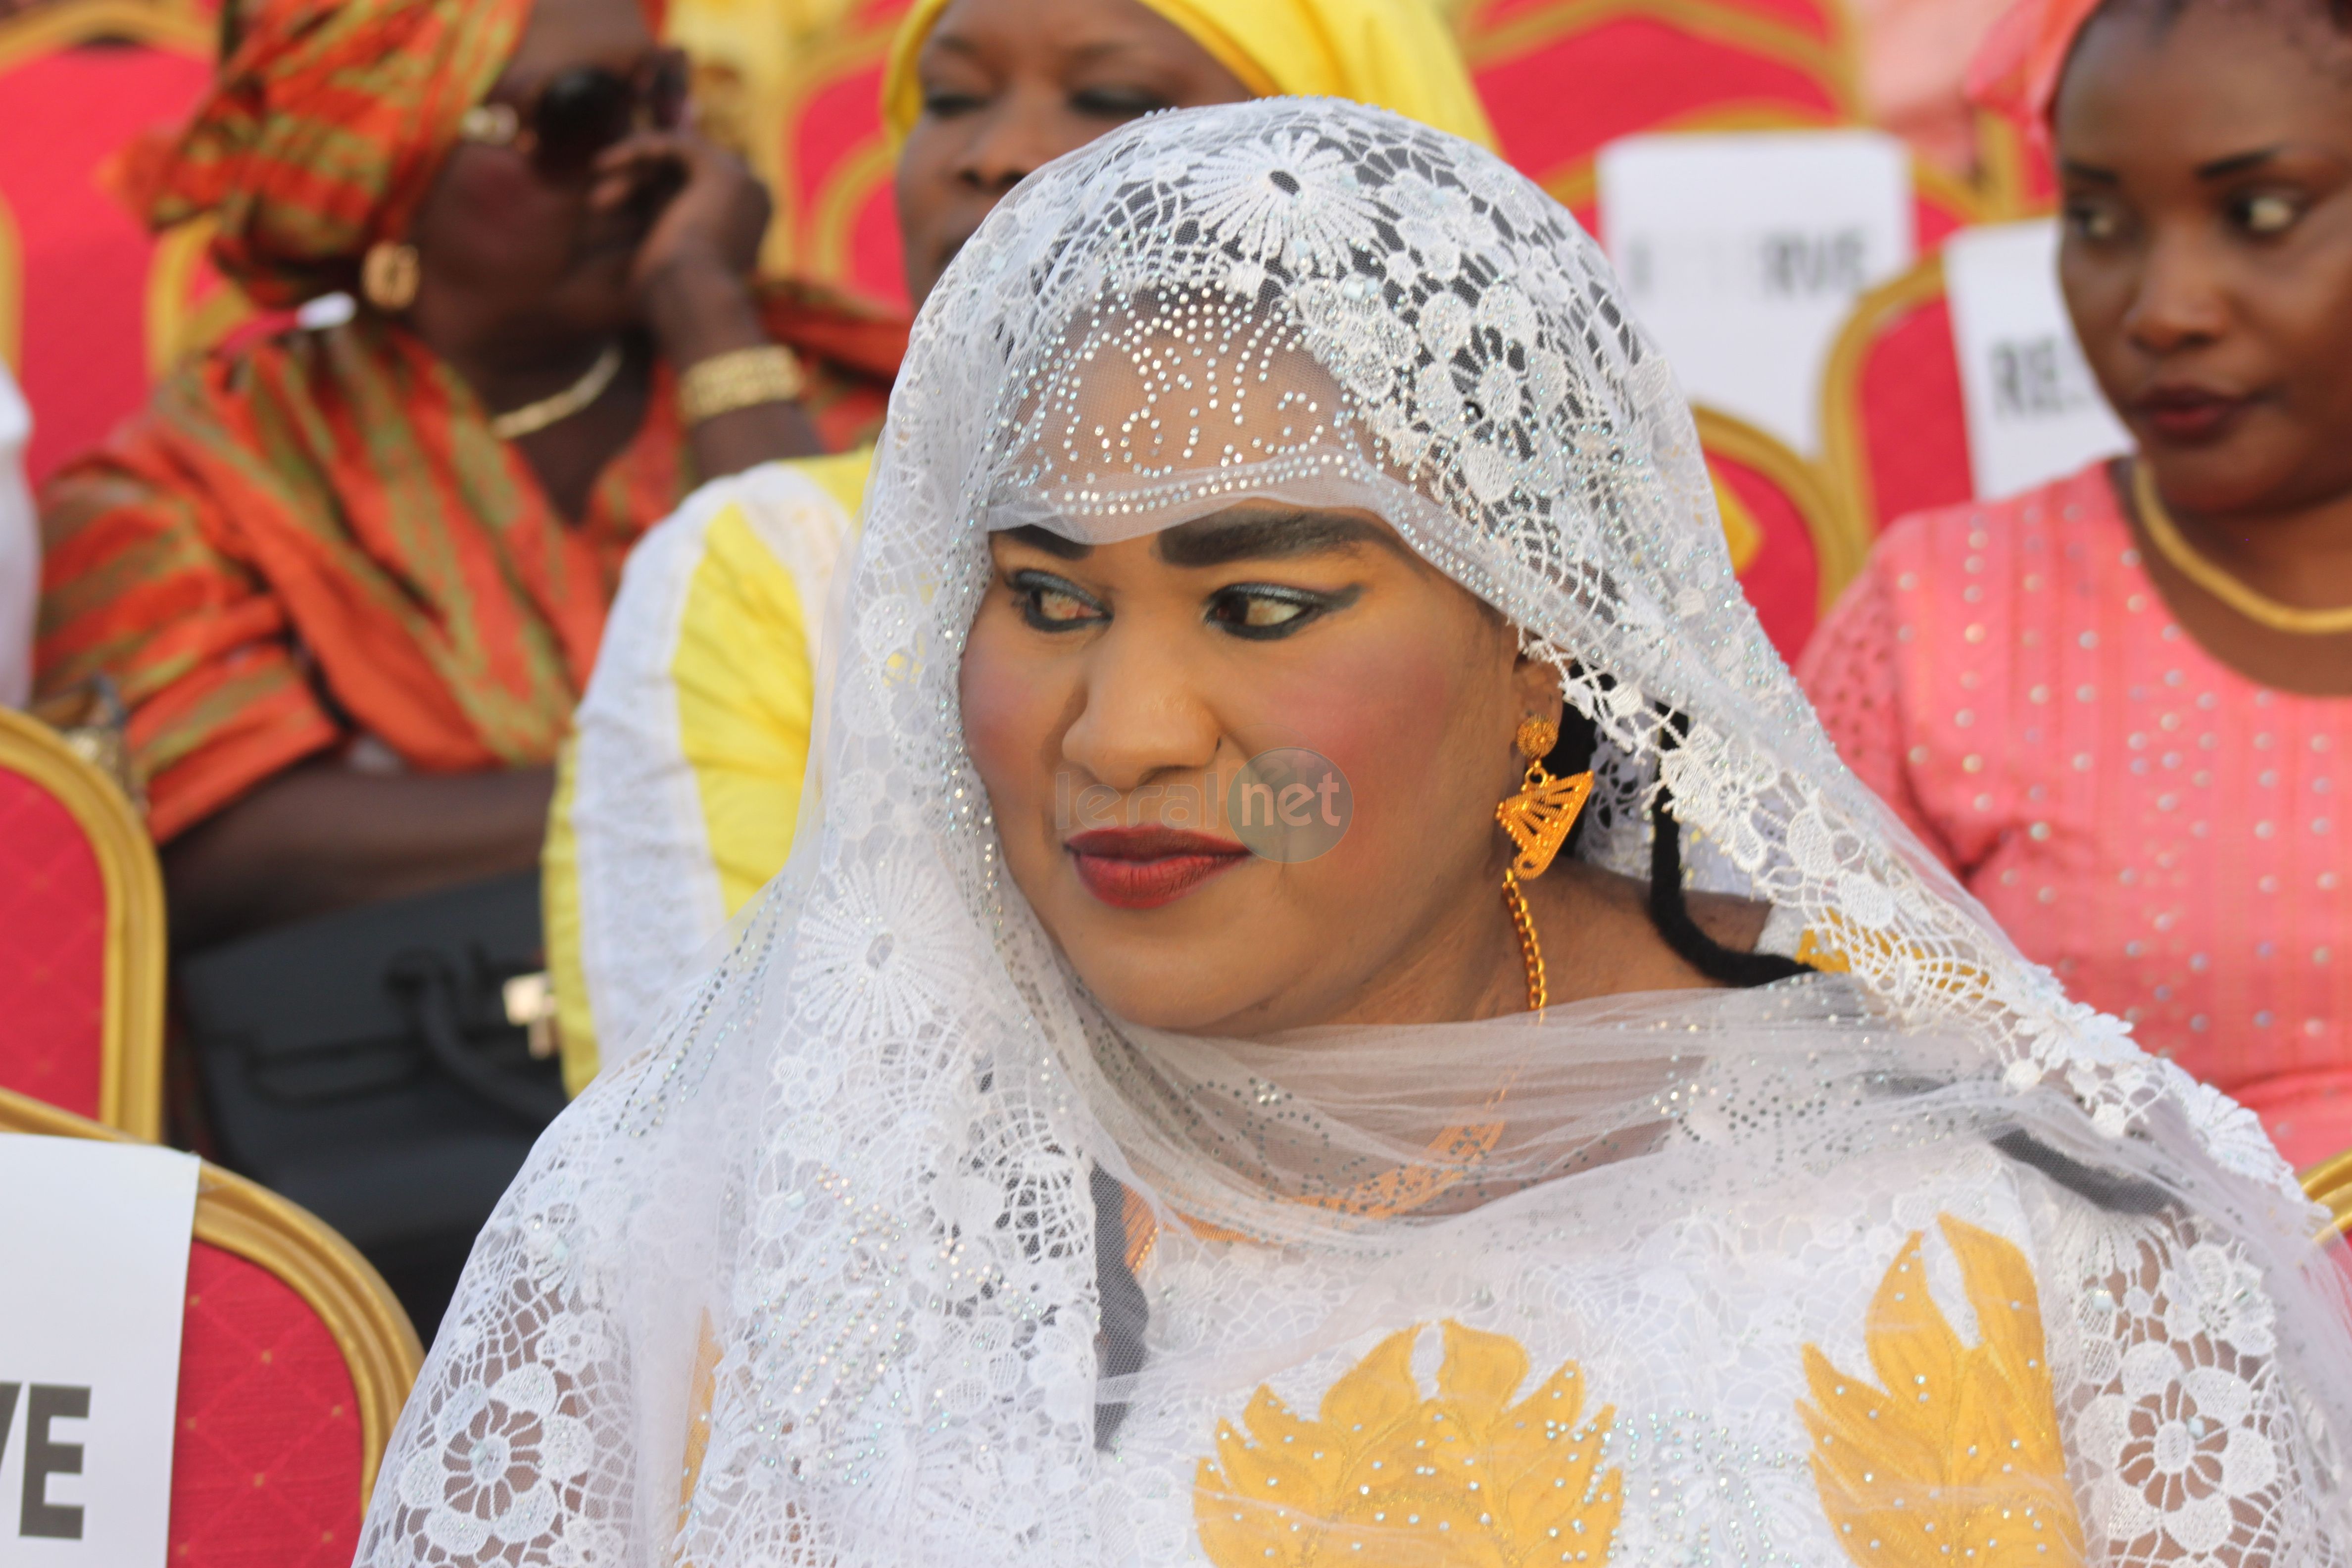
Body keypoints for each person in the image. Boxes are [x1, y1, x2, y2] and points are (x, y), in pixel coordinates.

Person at [359, 103, 2352, 1567]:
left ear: (1533, 664)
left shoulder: (2031, 1227)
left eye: (1264, 607)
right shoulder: (713, 1227)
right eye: (1044, 600)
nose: (1122, 733)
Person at [543, 0, 1495, 1089]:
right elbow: (721, 1144)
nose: (997, 155)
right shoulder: (779, 566)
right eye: (951, 99)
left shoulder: (1513, 553)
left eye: (1112, 100)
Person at [32, 0, 902, 951]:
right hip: (426, 1071)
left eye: (664, 94)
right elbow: (218, 838)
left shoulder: (833, 383)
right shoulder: (203, 477)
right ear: (390, 167)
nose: (649, 158)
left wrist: (707, 312)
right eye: (578, 116)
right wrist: (719, 790)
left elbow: (875, 711)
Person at [1802, 0, 2352, 1171]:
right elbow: (1813, 1115)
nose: (2165, 310)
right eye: (2097, 222)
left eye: (2259, 215)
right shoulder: (1942, 621)